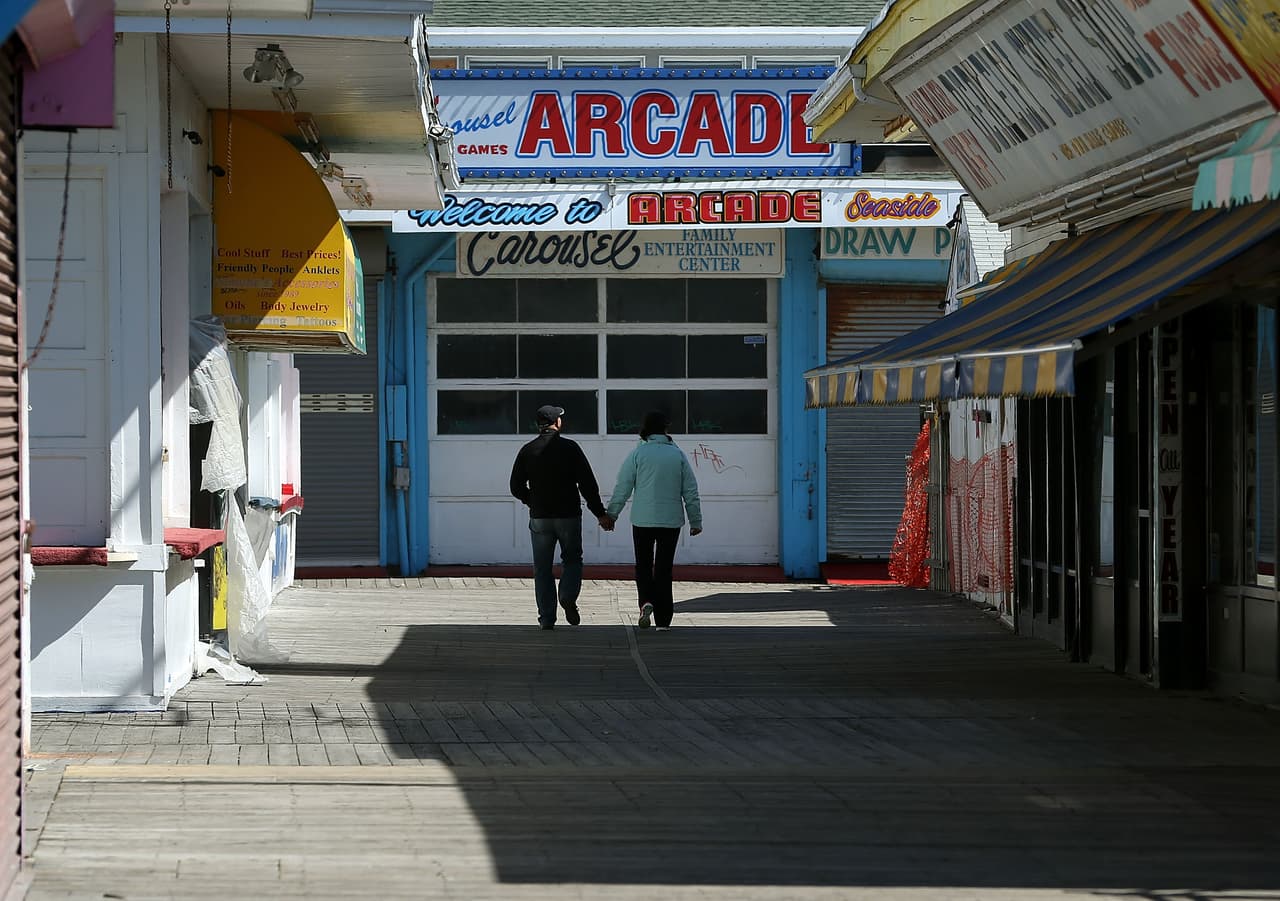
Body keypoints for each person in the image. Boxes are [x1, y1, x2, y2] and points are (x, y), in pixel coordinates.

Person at [510, 404, 613, 630]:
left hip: (540, 518)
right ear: (556, 423)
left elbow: (515, 487)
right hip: (568, 515)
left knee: (542, 568)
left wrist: (532, 500)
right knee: (572, 559)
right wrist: (600, 514)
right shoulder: (570, 448)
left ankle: (547, 618)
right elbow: (587, 484)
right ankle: (567, 596)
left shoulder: (527, 450)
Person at [605, 410, 702, 631]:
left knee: (643, 565)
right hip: (670, 521)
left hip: (642, 520)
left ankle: (646, 602)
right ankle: (663, 620)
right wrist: (695, 521)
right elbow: (690, 491)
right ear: (666, 430)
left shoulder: (637, 455)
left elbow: (623, 487)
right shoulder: (677, 455)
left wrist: (611, 515)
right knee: (664, 569)